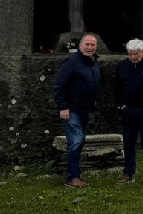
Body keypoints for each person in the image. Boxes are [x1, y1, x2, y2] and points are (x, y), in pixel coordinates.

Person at [53, 34, 101, 188]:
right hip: (71, 110)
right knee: (76, 142)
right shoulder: (71, 62)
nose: (89, 48)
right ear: (80, 46)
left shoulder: (93, 62)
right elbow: (59, 85)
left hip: (85, 109)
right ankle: (71, 178)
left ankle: (75, 175)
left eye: (92, 45)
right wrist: (63, 107)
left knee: (79, 143)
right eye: (87, 44)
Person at [114, 38, 143, 186]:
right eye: (130, 54)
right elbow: (116, 86)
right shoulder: (122, 66)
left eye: (136, 54)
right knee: (128, 141)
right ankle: (128, 173)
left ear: (142, 52)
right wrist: (121, 104)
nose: (133, 57)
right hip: (128, 109)